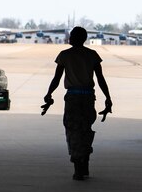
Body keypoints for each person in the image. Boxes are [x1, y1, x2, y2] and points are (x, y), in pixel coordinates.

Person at [43, 27, 112, 180]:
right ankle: (85, 164)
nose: (69, 38)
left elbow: (57, 78)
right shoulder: (92, 55)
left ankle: (78, 169)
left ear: (74, 38)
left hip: (73, 99)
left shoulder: (64, 55)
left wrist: (49, 93)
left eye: (71, 36)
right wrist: (108, 98)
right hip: (88, 98)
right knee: (85, 130)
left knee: (73, 131)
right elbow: (100, 79)